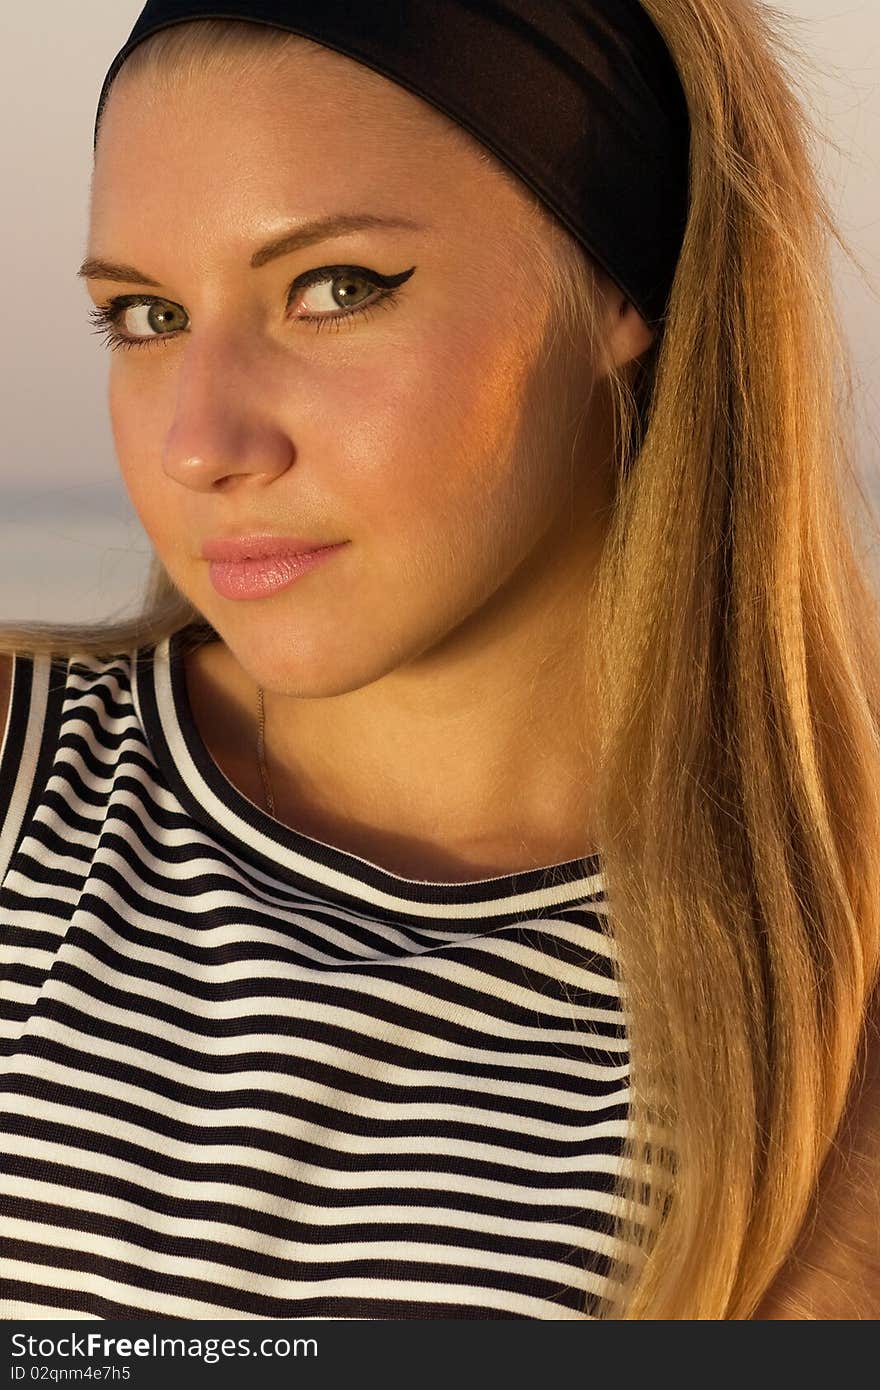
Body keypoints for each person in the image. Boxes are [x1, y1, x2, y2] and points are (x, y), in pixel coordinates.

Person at [1, 1, 878, 1321]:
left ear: (624, 282)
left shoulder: (823, 1011)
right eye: (144, 314)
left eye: (334, 289)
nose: (200, 441)